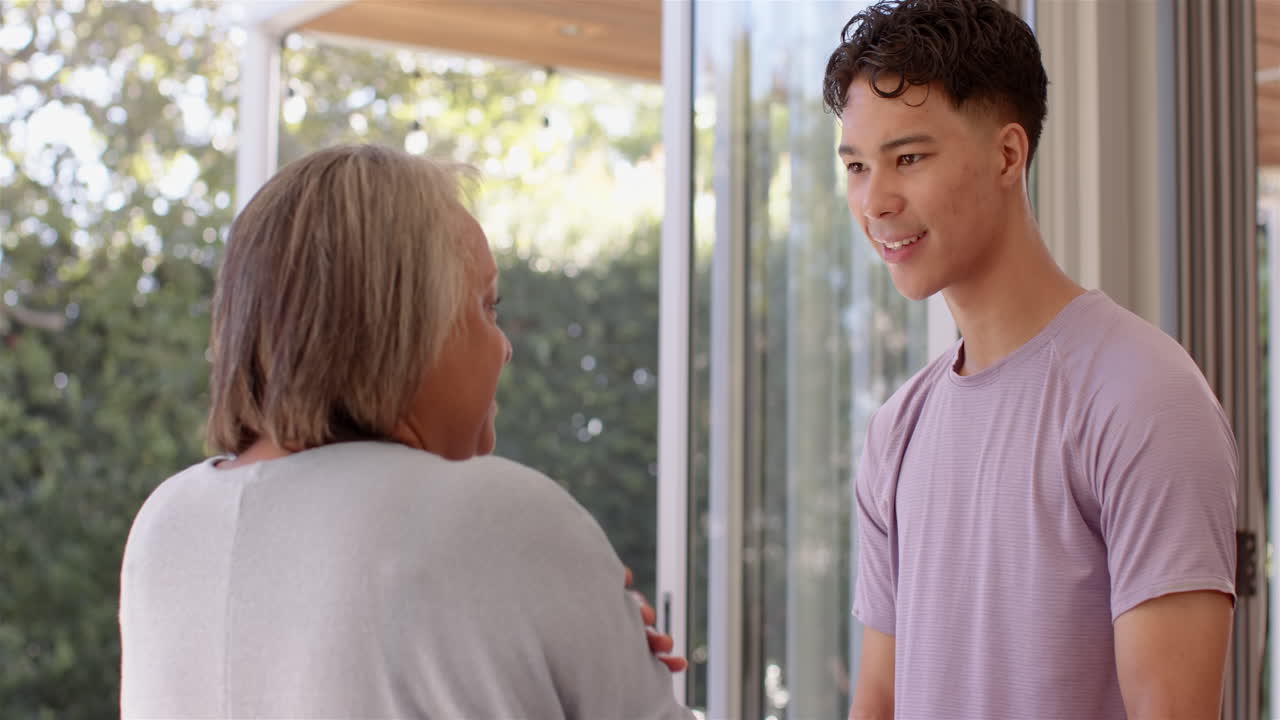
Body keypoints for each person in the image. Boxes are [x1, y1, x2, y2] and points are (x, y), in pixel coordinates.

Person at [118, 144, 691, 719]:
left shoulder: (165, 524)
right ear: (409, 321)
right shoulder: (499, 515)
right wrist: (590, 624)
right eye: (487, 306)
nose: (504, 346)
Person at [823, 1, 1237, 718]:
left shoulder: (1143, 397)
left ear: (1008, 155)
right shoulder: (897, 431)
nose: (876, 200)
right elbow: (880, 701)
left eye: (908, 158)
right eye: (857, 166)